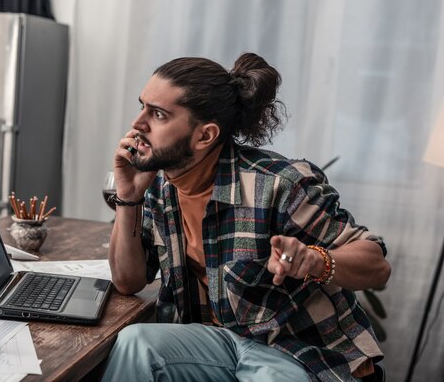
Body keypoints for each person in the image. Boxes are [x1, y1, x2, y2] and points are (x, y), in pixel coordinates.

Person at [103, 53, 391, 382]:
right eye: (142, 106)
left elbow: (377, 266)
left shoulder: (279, 184)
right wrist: (129, 197)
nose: (138, 124)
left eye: (158, 114)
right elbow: (128, 281)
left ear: (204, 136)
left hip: (297, 353)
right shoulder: (161, 187)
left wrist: (315, 260)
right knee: (135, 343)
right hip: (221, 345)